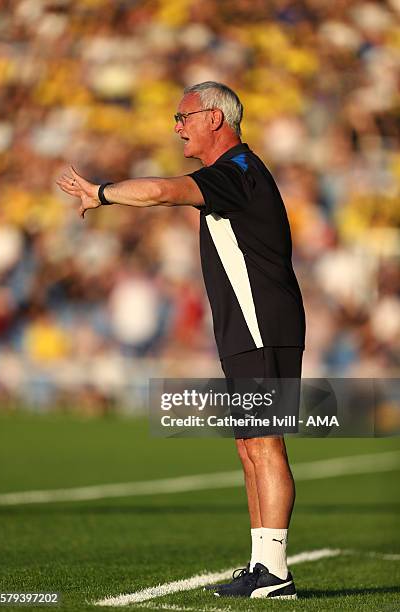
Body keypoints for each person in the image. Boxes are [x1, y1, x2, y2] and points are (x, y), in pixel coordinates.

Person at [57, 81, 305, 600]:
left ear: (215, 118)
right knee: (248, 446)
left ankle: (276, 572)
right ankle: (263, 566)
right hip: (247, 328)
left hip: (264, 327)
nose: (177, 127)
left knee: (265, 442)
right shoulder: (233, 174)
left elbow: (162, 192)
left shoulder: (238, 171)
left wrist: (101, 192)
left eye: (183, 116)